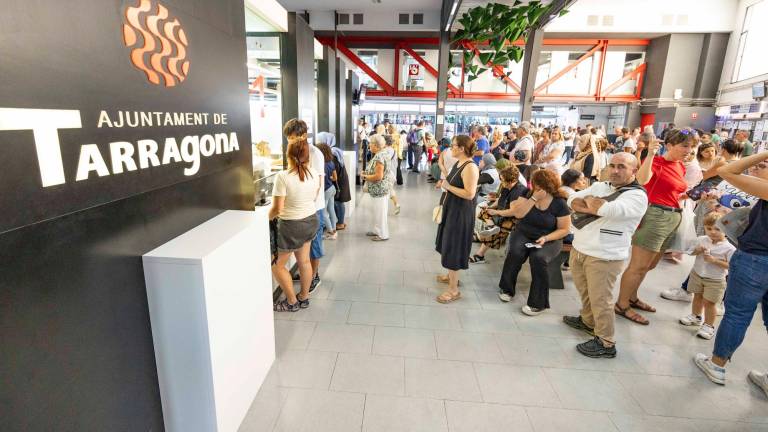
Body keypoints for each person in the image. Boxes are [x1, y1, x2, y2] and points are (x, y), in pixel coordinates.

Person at [694, 151, 768, 395]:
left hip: (756, 258)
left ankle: (717, 365)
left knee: (737, 314)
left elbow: (726, 171)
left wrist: (764, 153)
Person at [562, 152, 648, 357]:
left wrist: (591, 203)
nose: (615, 170)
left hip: (605, 255)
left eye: (622, 167)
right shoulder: (602, 186)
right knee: (586, 292)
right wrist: (588, 203)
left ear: (634, 171)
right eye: (613, 166)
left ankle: (606, 342)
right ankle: (588, 321)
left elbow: (609, 210)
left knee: (601, 300)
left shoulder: (637, 196)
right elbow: (572, 198)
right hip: (581, 248)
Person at [615, 128, 695, 325]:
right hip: (655, 216)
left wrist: (692, 195)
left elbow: (674, 192)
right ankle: (622, 304)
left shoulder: (680, 166)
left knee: (649, 265)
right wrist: (650, 153)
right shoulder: (657, 162)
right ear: (669, 145)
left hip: (672, 216)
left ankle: (632, 298)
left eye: (692, 146)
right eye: (684, 145)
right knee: (638, 266)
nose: (689, 150)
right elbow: (642, 180)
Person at [492, 169, 571, 315]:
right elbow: (518, 213)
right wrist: (534, 199)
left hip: (550, 238)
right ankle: (507, 288)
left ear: (550, 186)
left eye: (541, 185)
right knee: (515, 252)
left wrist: (547, 238)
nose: (538, 188)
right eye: (536, 185)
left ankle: (538, 303)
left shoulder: (559, 203)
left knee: (538, 258)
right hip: (524, 232)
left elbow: (564, 229)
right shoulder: (527, 194)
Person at [271, 119, 321, 312]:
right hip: (310, 221)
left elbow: (277, 208)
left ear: (288, 155)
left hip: (291, 225)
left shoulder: (283, 177)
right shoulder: (314, 174)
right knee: (304, 261)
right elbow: (314, 195)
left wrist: (268, 217)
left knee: (277, 266)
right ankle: (304, 297)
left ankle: (291, 302)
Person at [435, 135, 480, 303]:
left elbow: (470, 194)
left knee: (454, 246)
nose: (450, 148)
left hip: (460, 213)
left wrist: (448, 186)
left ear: (462, 148)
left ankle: (453, 290)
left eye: (453, 146)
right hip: (452, 210)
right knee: (447, 243)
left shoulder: (470, 167)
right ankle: (450, 276)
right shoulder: (458, 162)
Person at [679, 212, 735, 339]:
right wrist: (696, 250)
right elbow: (690, 252)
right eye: (709, 228)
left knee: (710, 303)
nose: (713, 232)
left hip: (715, 280)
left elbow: (732, 266)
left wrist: (714, 261)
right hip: (697, 274)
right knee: (697, 297)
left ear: (727, 230)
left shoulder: (729, 248)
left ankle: (709, 325)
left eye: (717, 229)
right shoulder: (701, 240)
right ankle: (695, 316)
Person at [470, 165, 528, 264]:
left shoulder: (518, 191)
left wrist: (496, 212)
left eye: (502, 179)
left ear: (510, 180)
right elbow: (500, 200)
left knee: (496, 232)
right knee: (484, 211)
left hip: (514, 218)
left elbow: (513, 211)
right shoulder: (507, 186)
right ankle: (491, 226)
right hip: (504, 212)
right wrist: (491, 207)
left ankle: (480, 255)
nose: (500, 181)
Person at [361, 135, 390, 241]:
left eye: (371, 144)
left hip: (379, 190)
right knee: (377, 212)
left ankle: (383, 234)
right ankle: (376, 230)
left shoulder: (379, 157)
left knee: (380, 213)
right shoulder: (382, 153)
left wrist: (365, 176)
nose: (369, 146)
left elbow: (378, 176)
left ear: (376, 145)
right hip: (379, 189)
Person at [316, 143, 338, 240]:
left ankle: (331, 231)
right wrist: (328, 177)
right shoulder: (331, 163)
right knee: (331, 210)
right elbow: (335, 178)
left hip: (325, 191)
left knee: (323, 212)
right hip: (332, 189)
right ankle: (334, 230)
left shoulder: (321, 165)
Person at [381, 134, 401, 215]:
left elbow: (384, 162)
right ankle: (396, 204)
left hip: (387, 174)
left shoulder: (385, 151)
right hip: (392, 173)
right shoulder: (393, 150)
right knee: (389, 189)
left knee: (385, 191)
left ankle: (384, 209)